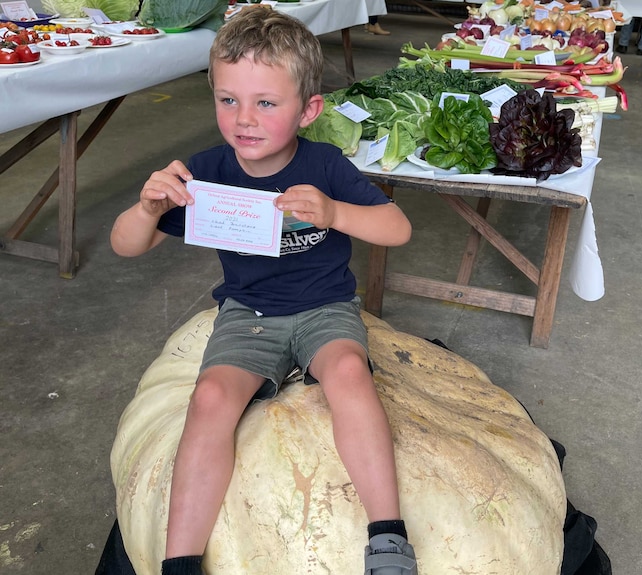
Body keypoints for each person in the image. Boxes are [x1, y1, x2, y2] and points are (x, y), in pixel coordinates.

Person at [110, 8, 417, 575]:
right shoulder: (205, 172)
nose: (243, 118)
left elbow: (396, 229)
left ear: (309, 110)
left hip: (325, 307)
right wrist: (147, 206)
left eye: (266, 103)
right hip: (246, 312)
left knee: (350, 372)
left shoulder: (325, 164)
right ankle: (179, 561)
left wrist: (335, 211)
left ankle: (388, 537)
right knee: (208, 400)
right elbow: (127, 245)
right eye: (228, 100)